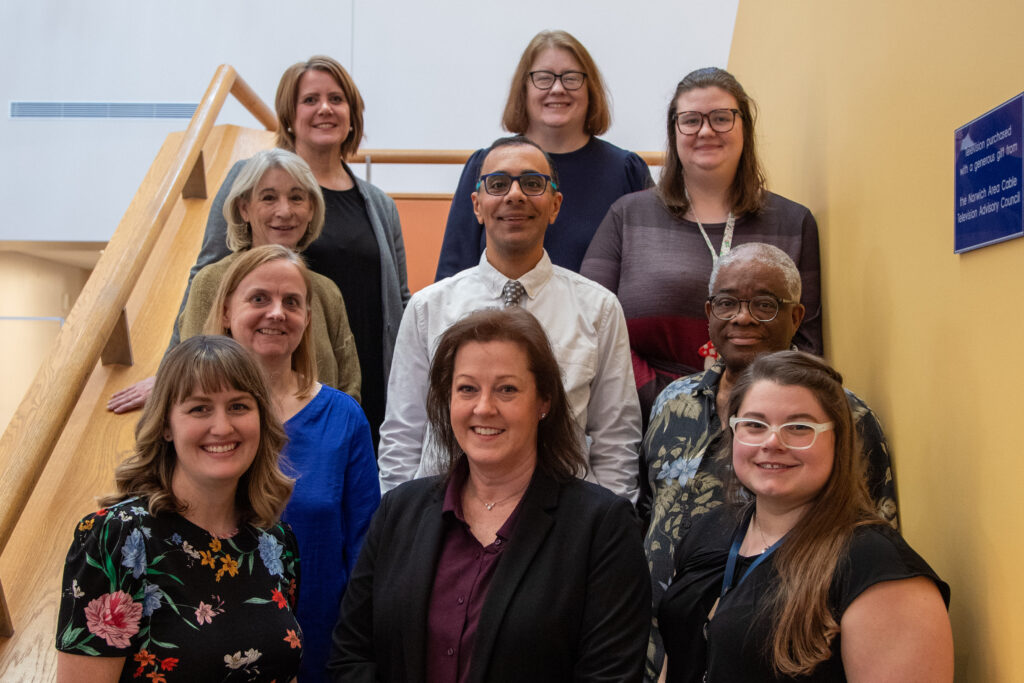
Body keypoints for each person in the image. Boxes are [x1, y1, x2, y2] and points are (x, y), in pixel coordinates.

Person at [329, 307, 651, 682]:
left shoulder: (603, 528)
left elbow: (609, 675)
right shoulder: (398, 511)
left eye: (507, 389)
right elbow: (351, 655)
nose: (484, 407)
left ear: (544, 402)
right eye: (467, 388)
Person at [110, 55, 410, 450]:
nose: (325, 108)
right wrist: (170, 369)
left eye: (337, 99)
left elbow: (399, 299)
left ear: (352, 116)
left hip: (356, 372)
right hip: (268, 368)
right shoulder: (250, 177)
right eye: (310, 99)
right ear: (288, 115)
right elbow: (210, 274)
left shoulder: (378, 204)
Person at [642, 242, 897, 680]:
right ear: (709, 312)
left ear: (796, 317)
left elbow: (870, 535)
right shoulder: (671, 402)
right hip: (664, 642)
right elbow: (648, 506)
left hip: (777, 653)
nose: (742, 317)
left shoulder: (845, 417)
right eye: (727, 303)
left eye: (764, 304)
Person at [658, 351, 952, 682]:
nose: (772, 442)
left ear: (838, 440)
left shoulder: (879, 569)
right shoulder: (710, 529)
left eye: (799, 427)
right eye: (754, 425)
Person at [378, 135, 642, 501]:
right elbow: (403, 435)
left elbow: (616, 439)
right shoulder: (428, 309)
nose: (514, 195)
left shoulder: (599, 309)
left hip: (562, 524)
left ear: (555, 205)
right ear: (477, 205)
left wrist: (611, 529)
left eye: (532, 184)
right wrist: (401, 526)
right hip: (444, 519)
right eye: (498, 184)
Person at [581, 67, 822, 425]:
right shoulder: (627, 215)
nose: (706, 130)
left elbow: (807, 342)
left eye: (721, 118)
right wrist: (663, 395)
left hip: (760, 421)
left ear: (745, 128)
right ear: (674, 130)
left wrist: (747, 398)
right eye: (691, 120)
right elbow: (591, 321)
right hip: (642, 416)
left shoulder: (793, 222)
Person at [56, 335, 302, 682]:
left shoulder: (275, 543)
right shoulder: (118, 539)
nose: (222, 427)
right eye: (199, 408)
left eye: (239, 406)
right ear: (167, 426)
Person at [205, 244, 380, 682]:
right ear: (227, 311)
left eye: (292, 302)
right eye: (259, 298)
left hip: (319, 652)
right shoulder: (195, 420)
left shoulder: (343, 418)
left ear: (307, 318)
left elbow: (365, 552)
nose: (277, 313)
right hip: (208, 648)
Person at [109, 148, 361, 408]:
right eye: (269, 198)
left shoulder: (326, 291)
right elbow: (190, 378)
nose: (284, 211)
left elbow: (349, 388)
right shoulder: (211, 282)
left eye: (296, 198)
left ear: (311, 210)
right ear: (244, 208)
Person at [435, 29, 651, 279]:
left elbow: (645, 275)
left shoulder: (626, 171)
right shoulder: (486, 168)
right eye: (544, 78)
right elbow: (452, 276)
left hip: (595, 318)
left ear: (590, 89)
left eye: (571, 78)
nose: (558, 89)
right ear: (523, 89)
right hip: (496, 318)